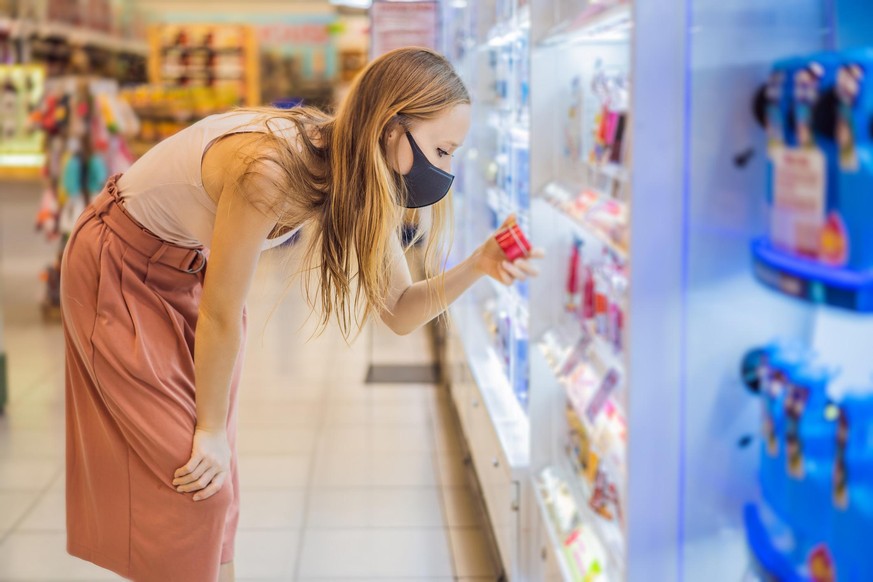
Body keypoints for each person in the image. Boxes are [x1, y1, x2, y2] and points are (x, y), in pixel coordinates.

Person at [60, 47, 541, 582]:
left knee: (218, 491)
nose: (445, 170)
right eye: (442, 150)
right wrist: (211, 429)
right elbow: (222, 312)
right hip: (119, 269)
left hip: (182, 273)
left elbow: (401, 312)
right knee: (192, 483)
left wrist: (478, 264)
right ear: (390, 129)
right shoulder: (269, 170)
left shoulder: (360, 169)